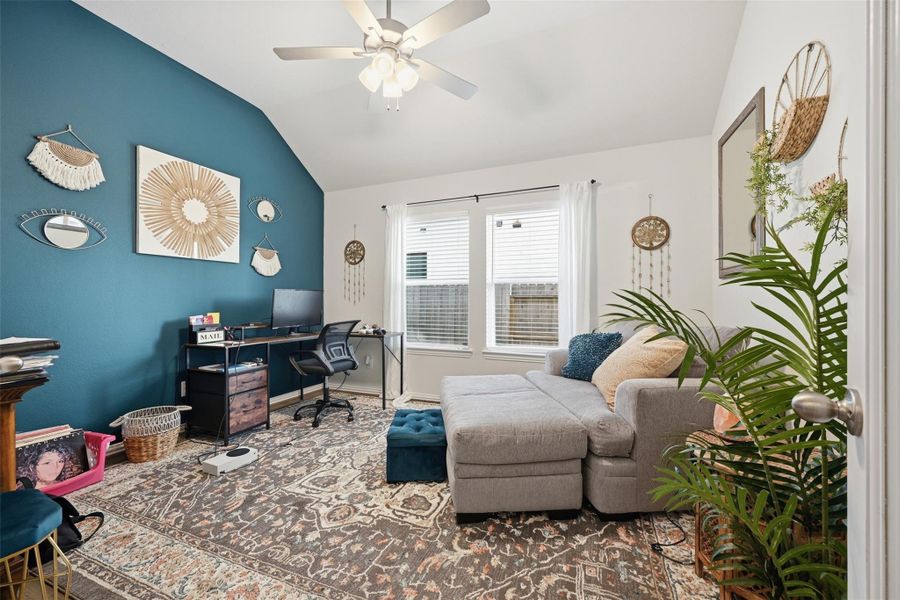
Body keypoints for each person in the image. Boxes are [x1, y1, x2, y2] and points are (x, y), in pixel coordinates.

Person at [17, 440, 83, 489]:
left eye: (60, 461)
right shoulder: (24, 491)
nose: (55, 467)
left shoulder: (69, 484)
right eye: (47, 463)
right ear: (31, 467)